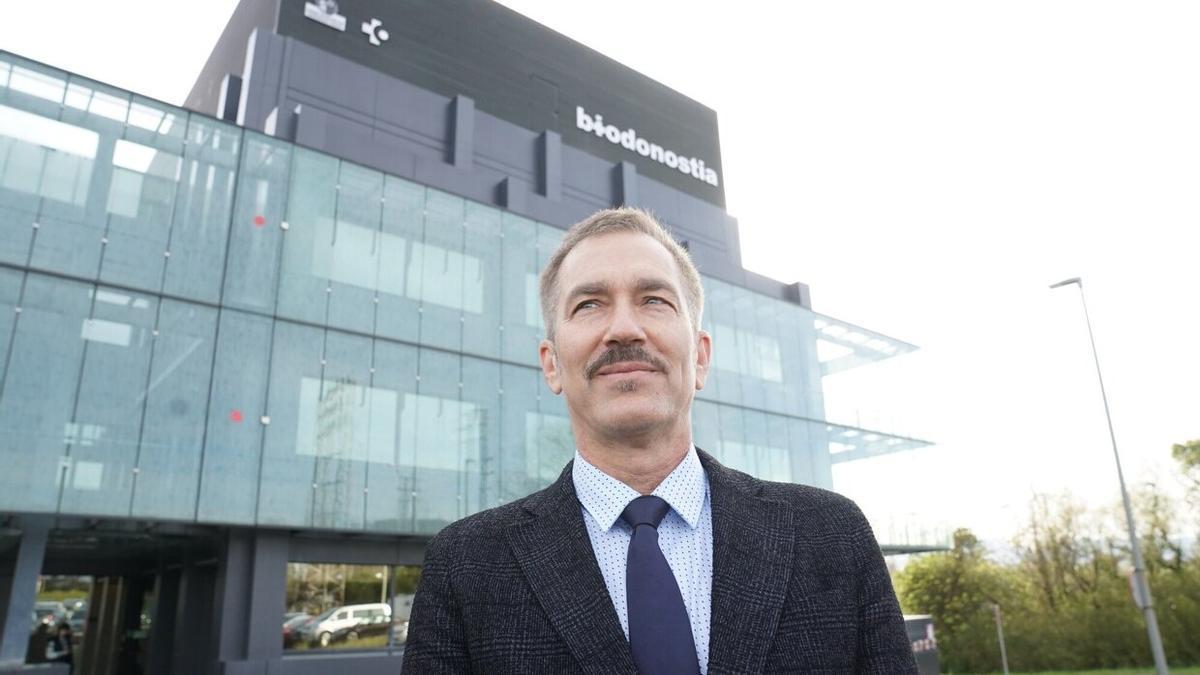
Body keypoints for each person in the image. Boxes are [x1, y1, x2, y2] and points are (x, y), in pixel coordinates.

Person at [403, 208, 916, 673]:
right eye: (589, 305)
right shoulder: (465, 565)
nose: (624, 328)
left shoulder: (832, 535)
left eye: (653, 300)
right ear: (552, 363)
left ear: (700, 357)